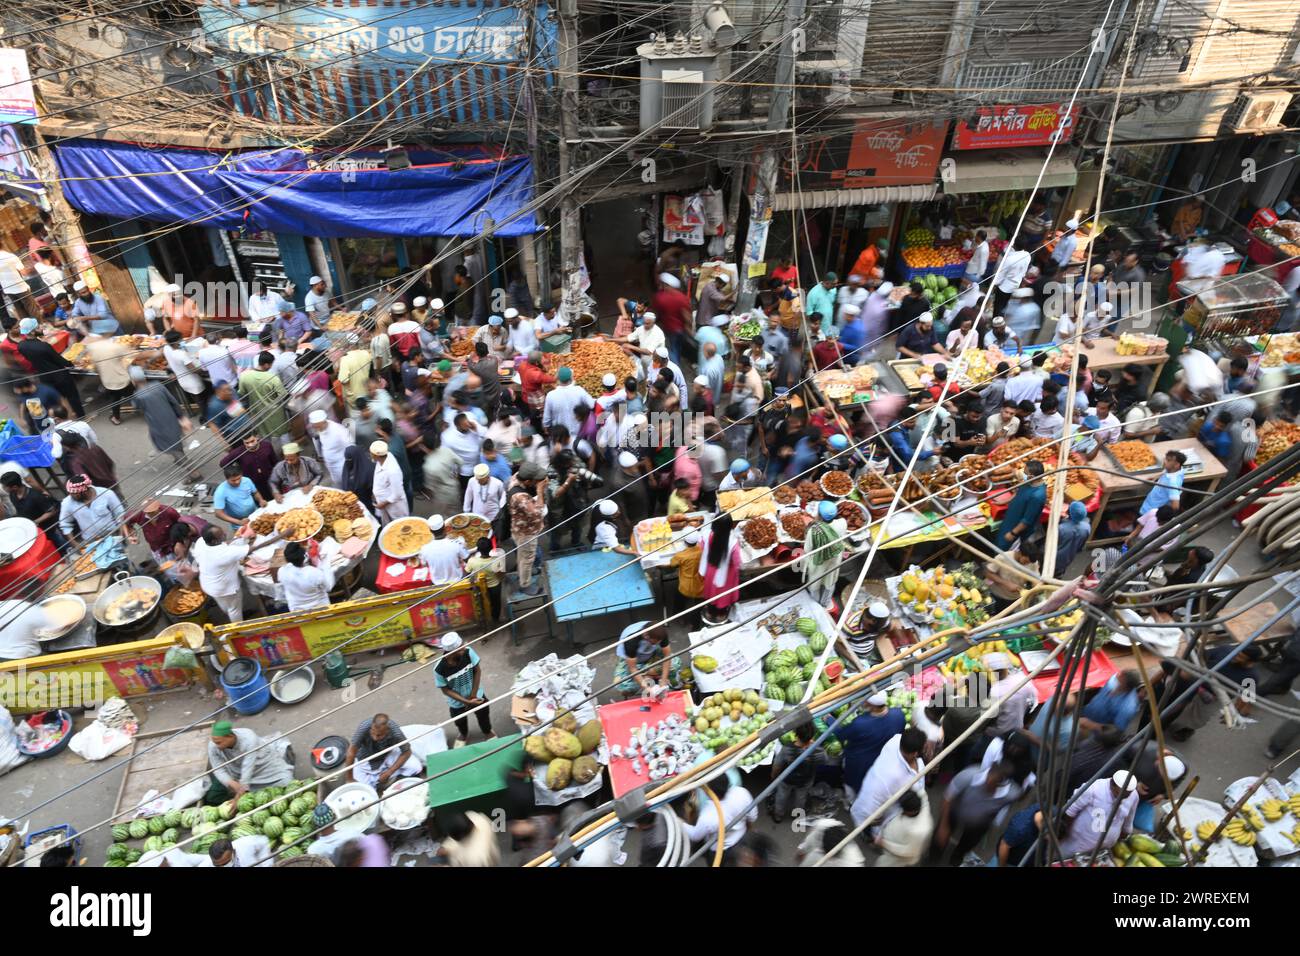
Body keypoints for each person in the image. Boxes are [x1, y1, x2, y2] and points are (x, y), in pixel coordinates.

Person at [934, 761, 1024, 864]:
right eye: (988, 778)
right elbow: (948, 797)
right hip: (955, 811)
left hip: (980, 823)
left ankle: (958, 855)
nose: (988, 783)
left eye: (993, 782)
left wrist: (995, 822)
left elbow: (1007, 805)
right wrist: (943, 826)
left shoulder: (1012, 793)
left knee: (968, 843)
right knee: (938, 840)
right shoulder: (969, 775)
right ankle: (935, 854)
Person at [850, 728, 927, 832]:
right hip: (878, 809)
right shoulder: (896, 777)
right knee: (873, 825)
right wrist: (874, 818)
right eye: (924, 747)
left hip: (881, 802)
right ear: (915, 753)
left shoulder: (896, 740)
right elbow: (872, 799)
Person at [1055, 770, 1140, 860]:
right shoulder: (1093, 788)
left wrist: (1119, 839)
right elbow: (1070, 812)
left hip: (1103, 851)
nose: (1122, 798)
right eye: (1118, 794)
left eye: (1125, 796)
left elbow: (1128, 822)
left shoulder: (1133, 796)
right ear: (1112, 784)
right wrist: (1063, 834)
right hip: (1076, 845)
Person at [836, 691, 907, 797]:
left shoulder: (860, 723)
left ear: (872, 706)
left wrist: (830, 720)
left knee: (854, 785)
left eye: (866, 701)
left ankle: (852, 804)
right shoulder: (899, 714)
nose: (864, 702)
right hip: (883, 760)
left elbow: (841, 734)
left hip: (859, 763)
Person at [205, 719, 293, 804]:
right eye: (215, 742)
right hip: (235, 772)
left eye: (219, 743)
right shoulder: (213, 745)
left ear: (230, 736)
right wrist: (231, 783)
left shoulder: (248, 738)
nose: (217, 746)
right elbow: (218, 769)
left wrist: (239, 795)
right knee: (212, 796)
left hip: (262, 768)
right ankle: (235, 801)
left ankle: (244, 798)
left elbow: (247, 768)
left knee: (288, 783)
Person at [680, 771, 758, 865]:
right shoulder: (742, 792)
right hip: (742, 839)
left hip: (721, 852)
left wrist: (679, 822)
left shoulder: (708, 815)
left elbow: (695, 835)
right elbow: (752, 817)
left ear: (709, 791)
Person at [434, 632, 493, 747]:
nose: (464, 649)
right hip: (456, 701)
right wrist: (466, 702)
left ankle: (487, 732)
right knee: (459, 720)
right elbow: (445, 690)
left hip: (476, 694)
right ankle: (463, 734)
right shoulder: (439, 669)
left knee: (483, 713)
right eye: (460, 648)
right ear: (450, 653)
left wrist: (473, 696)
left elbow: (477, 671)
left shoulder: (468, 652)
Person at [345, 713, 421, 791]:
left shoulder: (396, 732)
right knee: (362, 790)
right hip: (365, 761)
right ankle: (378, 780)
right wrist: (349, 778)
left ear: (387, 730)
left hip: (386, 756)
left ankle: (389, 779)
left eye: (379, 735)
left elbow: (407, 752)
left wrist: (389, 772)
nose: (375, 738)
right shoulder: (364, 727)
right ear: (371, 726)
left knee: (415, 767)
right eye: (372, 732)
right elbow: (351, 753)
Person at [193, 525, 251, 623]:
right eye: (221, 535)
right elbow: (252, 548)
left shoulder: (201, 541)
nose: (224, 533)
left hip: (209, 585)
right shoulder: (224, 553)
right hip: (225, 588)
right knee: (234, 609)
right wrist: (281, 536)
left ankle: (234, 617)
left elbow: (224, 545)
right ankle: (241, 630)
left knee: (226, 606)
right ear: (214, 541)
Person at [770, 722, 825, 823]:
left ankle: (778, 815)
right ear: (812, 735)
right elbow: (824, 760)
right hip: (805, 781)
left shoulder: (787, 749)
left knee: (781, 796)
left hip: (787, 780)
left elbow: (777, 766)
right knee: (801, 799)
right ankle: (798, 817)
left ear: (795, 733)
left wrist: (774, 776)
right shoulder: (818, 751)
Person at [508, 462, 548, 597]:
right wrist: (539, 491)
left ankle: (526, 572)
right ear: (527, 480)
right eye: (536, 480)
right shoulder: (519, 497)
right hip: (525, 533)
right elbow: (538, 512)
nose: (539, 481)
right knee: (527, 558)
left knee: (522, 556)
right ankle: (525, 585)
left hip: (520, 528)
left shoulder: (515, 478)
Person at [57, 474, 127, 547]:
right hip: (91, 541)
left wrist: (121, 537)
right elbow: (65, 524)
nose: (70, 495)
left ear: (84, 492)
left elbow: (120, 514)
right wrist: (75, 544)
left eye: (74, 494)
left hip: (113, 534)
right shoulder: (67, 503)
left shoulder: (106, 493)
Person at [238, 351, 291, 447]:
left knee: (264, 435)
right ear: (266, 365)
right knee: (283, 433)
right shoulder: (273, 378)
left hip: (257, 413)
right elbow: (283, 395)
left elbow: (242, 393)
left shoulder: (244, 376)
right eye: (271, 364)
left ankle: (269, 453)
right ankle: (288, 452)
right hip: (276, 413)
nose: (271, 367)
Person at [801, 499, 847, 606]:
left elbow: (807, 549)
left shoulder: (814, 531)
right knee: (829, 582)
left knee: (815, 584)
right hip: (834, 560)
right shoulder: (842, 523)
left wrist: (809, 526)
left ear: (820, 516)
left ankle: (816, 604)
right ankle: (825, 603)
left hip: (819, 562)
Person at [875, 789, 934, 867]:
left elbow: (909, 852)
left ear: (911, 811)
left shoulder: (919, 830)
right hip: (896, 844)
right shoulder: (921, 797)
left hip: (900, 860)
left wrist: (884, 843)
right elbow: (918, 788)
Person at [698, 512, 741, 617]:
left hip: (710, 569)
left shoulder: (706, 535)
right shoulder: (733, 543)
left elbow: (701, 548)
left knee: (711, 592)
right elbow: (737, 562)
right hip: (727, 574)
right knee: (723, 595)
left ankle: (710, 612)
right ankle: (721, 614)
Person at [274, 541, 335, 612]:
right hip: (321, 610)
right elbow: (328, 587)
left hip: (297, 613)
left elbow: (281, 589)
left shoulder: (282, 572)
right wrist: (325, 563)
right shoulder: (314, 573)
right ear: (305, 557)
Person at [999, 459, 1046, 550]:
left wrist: (1013, 533)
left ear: (1031, 476)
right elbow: (1018, 492)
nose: (1022, 474)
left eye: (1025, 473)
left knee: (1003, 548)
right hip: (1010, 519)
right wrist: (1004, 502)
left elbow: (1027, 520)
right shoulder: (1028, 482)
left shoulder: (1037, 496)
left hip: (1016, 528)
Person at [420, 514, 469, 585]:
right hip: (457, 582)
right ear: (445, 528)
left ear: (430, 531)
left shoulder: (424, 549)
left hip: (438, 585)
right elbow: (468, 560)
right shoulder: (456, 544)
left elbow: (424, 564)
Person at [212, 463, 264, 528]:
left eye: (239, 478)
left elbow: (255, 493)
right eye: (233, 480)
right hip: (239, 523)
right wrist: (238, 522)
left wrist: (261, 500)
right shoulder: (220, 491)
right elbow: (218, 513)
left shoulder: (247, 480)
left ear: (241, 475)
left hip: (255, 514)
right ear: (226, 479)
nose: (237, 482)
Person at [369, 440, 409, 522]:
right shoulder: (381, 460)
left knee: (399, 525)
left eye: (371, 453)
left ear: (376, 455)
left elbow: (398, 493)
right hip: (383, 502)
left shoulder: (392, 470)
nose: (370, 455)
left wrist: (383, 504)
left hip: (395, 506)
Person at [1140, 449, 1186, 515]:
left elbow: (1175, 506)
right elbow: (1166, 471)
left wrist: (1162, 517)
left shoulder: (1172, 482)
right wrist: (1156, 476)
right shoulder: (1176, 470)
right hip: (1150, 504)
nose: (1164, 461)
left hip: (1151, 511)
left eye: (1168, 460)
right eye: (1166, 459)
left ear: (1176, 465)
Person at [1053, 500, 1091, 575]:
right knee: (1060, 571)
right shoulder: (1087, 527)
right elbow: (1081, 544)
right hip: (1070, 556)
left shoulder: (1061, 528)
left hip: (1056, 555)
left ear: (1068, 512)